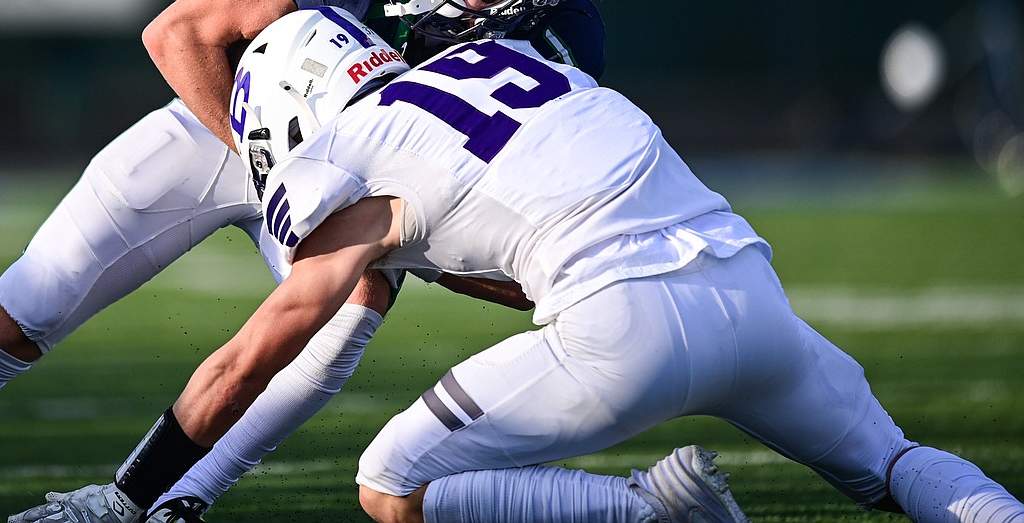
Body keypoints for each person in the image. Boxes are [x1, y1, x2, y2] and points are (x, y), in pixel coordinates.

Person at [0, 0, 614, 523]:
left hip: (357, 198)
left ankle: (165, 498)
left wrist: (382, 237)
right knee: (21, 311)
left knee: (353, 303)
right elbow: (179, 32)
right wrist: (271, 163)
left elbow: (481, 214)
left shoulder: (553, 47)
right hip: (228, 127)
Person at [92, 33, 1024, 523]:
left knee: (390, 483)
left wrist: (136, 491)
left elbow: (259, 351)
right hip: (749, 286)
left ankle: (646, 509)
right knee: (897, 466)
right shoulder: (505, 61)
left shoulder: (343, 152)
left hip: (622, 328)